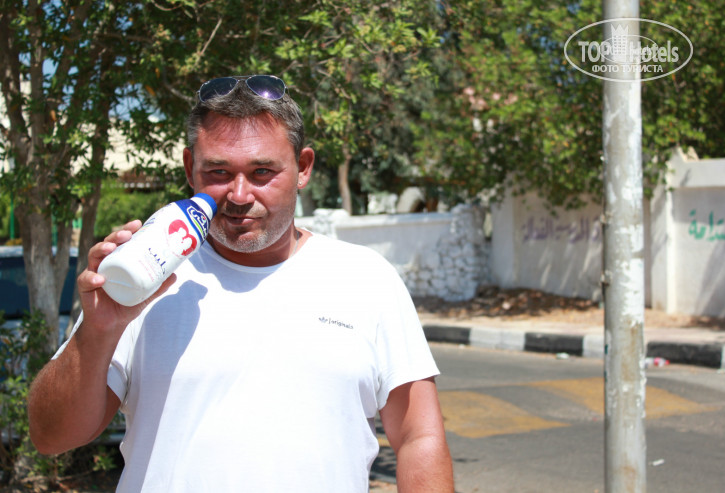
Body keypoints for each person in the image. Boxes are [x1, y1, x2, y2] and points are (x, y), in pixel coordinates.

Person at [28, 75, 454, 492]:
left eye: (262, 171)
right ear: (190, 168)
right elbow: (51, 437)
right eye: (218, 171)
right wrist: (98, 331)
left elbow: (418, 437)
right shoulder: (145, 277)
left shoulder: (365, 278)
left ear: (303, 167)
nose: (238, 194)